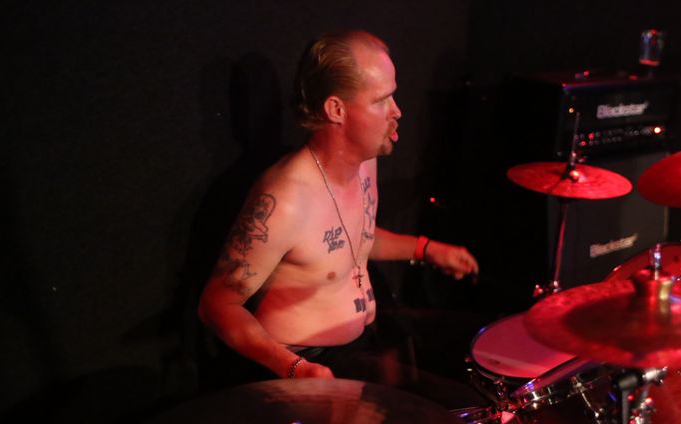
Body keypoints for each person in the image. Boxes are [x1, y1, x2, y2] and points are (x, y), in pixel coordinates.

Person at [198, 30, 479, 380]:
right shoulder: (286, 200)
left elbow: (353, 239)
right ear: (336, 109)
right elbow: (217, 305)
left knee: (480, 347)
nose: (397, 111)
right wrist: (294, 368)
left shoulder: (366, 161)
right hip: (307, 361)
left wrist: (427, 249)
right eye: (381, 100)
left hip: (366, 339)